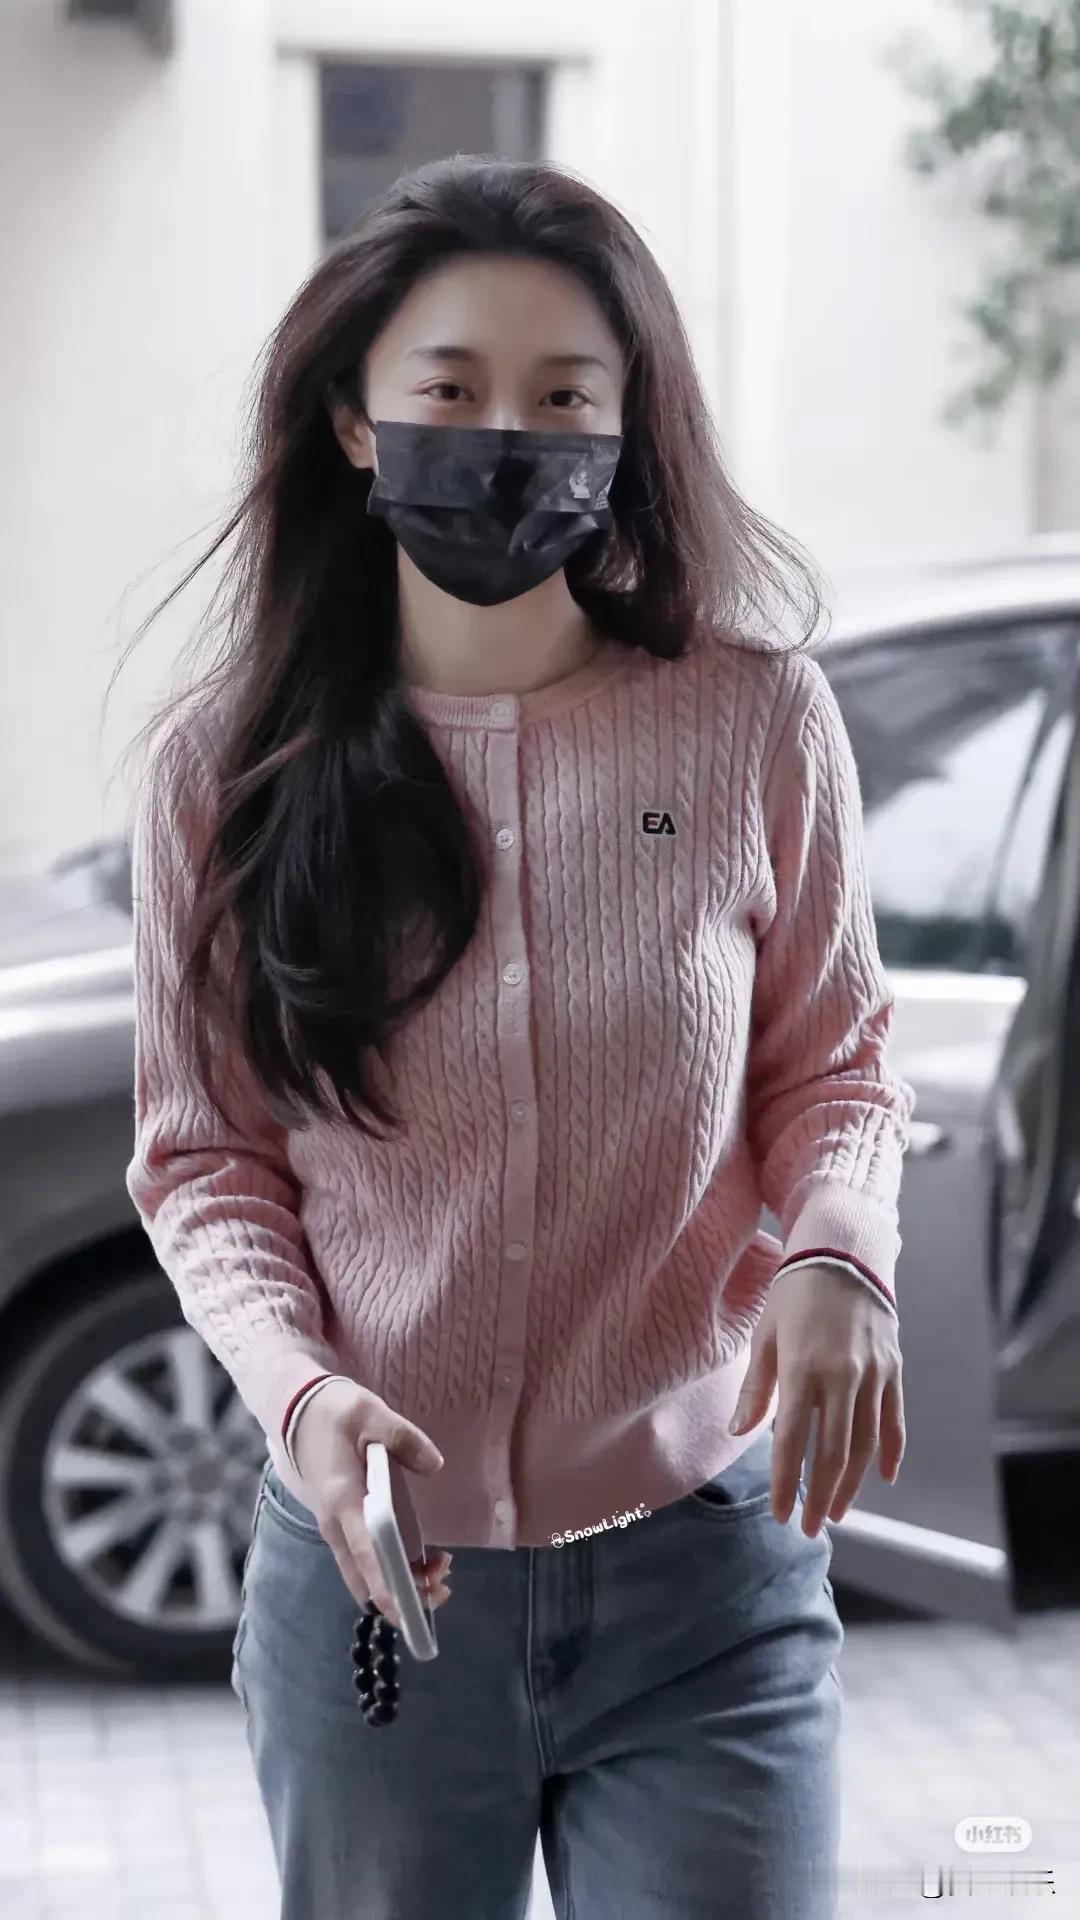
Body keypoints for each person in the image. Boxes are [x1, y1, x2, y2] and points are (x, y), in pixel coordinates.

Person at [122, 154, 912, 1920]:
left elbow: (838, 1064)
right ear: (353, 422)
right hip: (378, 1591)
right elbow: (205, 1159)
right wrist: (301, 1391)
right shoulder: (224, 769)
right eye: (452, 388)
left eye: (565, 398)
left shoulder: (753, 719)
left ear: (629, 432)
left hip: (708, 1582)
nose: (508, 437)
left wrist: (838, 1251)